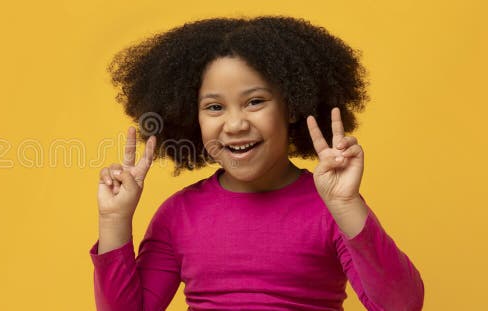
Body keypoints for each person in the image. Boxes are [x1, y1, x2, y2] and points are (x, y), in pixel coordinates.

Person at [90, 16, 424, 310]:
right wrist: (114, 220)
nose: (235, 125)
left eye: (255, 101)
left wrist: (347, 204)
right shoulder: (179, 214)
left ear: (292, 107)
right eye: (214, 107)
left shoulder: (331, 206)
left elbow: (402, 305)